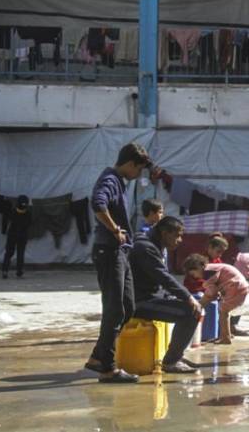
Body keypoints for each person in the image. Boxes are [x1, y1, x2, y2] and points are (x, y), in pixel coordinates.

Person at [84, 142, 155, 383]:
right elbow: (97, 204)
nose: (138, 175)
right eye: (138, 169)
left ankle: (98, 357)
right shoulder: (110, 179)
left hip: (120, 252)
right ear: (129, 164)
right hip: (109, 251)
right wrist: (115, 230)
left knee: (127, 306)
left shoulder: (119, 182)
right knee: (115, 309)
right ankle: (107, 367)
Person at [128, 216, 201, 374]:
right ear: (163, 232)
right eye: (177, 235)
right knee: (191, 312)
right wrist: (187, 297)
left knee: (188, 305)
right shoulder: (145, 247)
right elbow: (163, 277)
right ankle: (171, 362)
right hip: (139, 301)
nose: (180, 240)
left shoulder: (154, 243)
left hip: (150, 295)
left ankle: (175, 356)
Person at [184, 253, 249, 345]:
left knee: (224, 313)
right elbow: (213, 292)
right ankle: (224, 335)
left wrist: (200, 304)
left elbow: (211, 292)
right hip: (238, 286)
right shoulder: (212, 269)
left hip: (236, 287)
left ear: (199, 266)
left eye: (194, 273)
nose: (195, 277)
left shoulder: (208, 271)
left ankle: (226, 338)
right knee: (223, 311)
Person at [2, 195, 32, 280]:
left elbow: (7, 220)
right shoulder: (28, 213)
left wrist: (4, 231)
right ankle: (19, 271)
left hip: (12, 234)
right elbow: (30, 223)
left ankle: (5, 271)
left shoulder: (12, 211)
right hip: (22, 235)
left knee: (9, 253)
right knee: (20, 253)